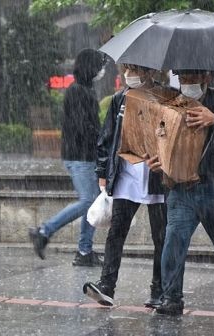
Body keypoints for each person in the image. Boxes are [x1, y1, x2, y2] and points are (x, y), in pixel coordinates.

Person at [147, 69, 214, 316]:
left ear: (207, 77)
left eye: (193, 77)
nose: (187, 82)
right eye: (182, 77)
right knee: (173, 242)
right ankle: (171, 297)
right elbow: (156, 138)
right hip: (180, 188)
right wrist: (156, 161)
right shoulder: (170, 103)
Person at [83, 64, 168, 307]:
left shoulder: (165, 98)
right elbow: (106, 137)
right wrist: (102, 171)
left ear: (149, 72)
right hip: (125, 176)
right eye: (126, 68)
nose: (129, 73)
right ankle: (106, 286)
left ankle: (158, 290)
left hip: (155, 178)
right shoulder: (119, 100)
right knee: (116, 232)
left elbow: (171, 135)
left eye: (135, 69)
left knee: (160, 237)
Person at [28, 48, 106, 267]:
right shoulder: (78, 91)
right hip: (79, 155)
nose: (101, 71)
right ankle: (44, 231)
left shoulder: (85, 89)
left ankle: (84, 251)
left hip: (85, 155)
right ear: (91, 67)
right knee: (88, 201)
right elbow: (83, 126)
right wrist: (102, 138)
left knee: (92, 203)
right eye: (99, 66)